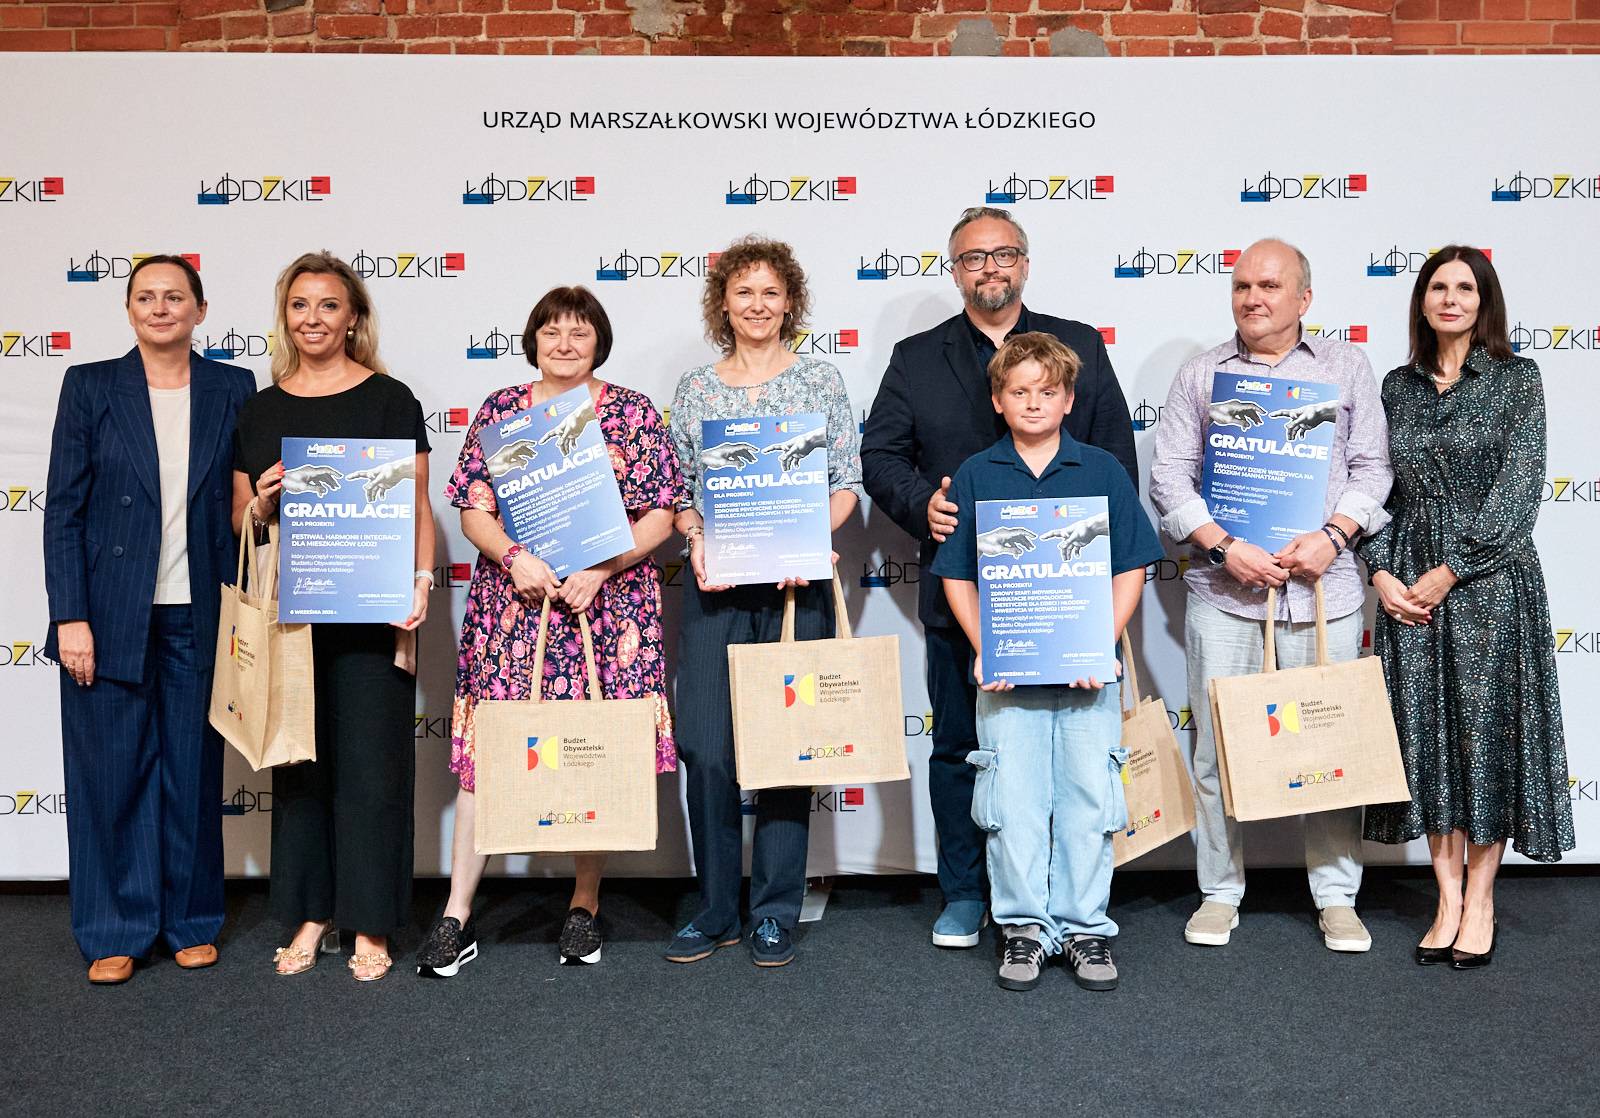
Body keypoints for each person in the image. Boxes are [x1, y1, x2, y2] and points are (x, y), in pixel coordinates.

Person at [861, 205, 1138, 949]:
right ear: (955, 271)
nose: (990, 267)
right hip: (966, 598)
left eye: (1004, 253)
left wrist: (1101, 592)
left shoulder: (1079, 344)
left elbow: (1116, 454)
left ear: (1024, 263)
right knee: (962, 747)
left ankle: (1061, 903)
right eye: (973, 257)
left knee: (1069, 762)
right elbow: (879, 456)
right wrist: (925, 505)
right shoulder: (916, 357)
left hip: (1069, 601)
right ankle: (964, 893)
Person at [415, 286, 682, 977]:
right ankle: (456, 914)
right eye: (552, 332)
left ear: (600, 343)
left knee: (594, 753)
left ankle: (584, 904)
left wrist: (601, 566)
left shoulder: (632, 413)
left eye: (580, 333)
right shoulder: (502, 410)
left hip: (609, 608)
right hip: (514, 608)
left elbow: (660, 514)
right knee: (492, 752)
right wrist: (514, 557)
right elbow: (473, 509)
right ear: (533, 340)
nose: (565, 344)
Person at [1149, 238, 1394, 953]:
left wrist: (1335, 536)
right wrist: (1225, 546)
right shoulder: (1201, 374)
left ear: (1304, 298)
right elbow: (1168, 478)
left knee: (1331, 747)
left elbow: (1372, 468)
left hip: (1326, 592)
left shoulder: (1346, 366)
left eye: (1269, 285)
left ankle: (1337, 896)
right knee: (1217, 749)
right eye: (1241, 286)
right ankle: (1219, 891)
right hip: (1226, 593)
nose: (1252, 298)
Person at [1358, 246, 1573, 968]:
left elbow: (1519, 492)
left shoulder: (1518, 378)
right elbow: (1377, 489)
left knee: (1486, 737)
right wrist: (1380, 571)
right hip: (1408, 583)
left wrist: (1451, 570)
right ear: (1421, 302)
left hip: (1489, 583)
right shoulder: (1396, 387)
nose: (1451, 298)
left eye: (1465, 288)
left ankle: (1481, 898)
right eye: (1438, 287)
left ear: (1485, 301)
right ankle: (1445, 897)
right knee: (1426, 735)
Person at [43, 255, 255, 985]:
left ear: (201, 309)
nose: (160, 307)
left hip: (201, 612)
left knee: (192, 776)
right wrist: (71, 616)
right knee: (110, 777)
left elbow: (242, 504)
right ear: (129, 310)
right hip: (108, 616)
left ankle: (190, 921)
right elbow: (63, 512)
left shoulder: (233, 387)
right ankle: (114, 929)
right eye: (145, 297)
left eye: (174, 296)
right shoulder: (90, 386)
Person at [932, 332, 1162, 991]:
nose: (1033, 402)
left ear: (1068, 399)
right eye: (1019, 391)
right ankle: (1024, 928)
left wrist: (1100, 642)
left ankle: (1085, 927)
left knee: (1090, 800)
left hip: (1087, 677)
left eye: (1047, 391)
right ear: (998, 401)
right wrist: (986, 648)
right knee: (1014, 805)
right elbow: (957, 576)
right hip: (1008, 678)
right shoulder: (977, 474)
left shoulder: (1102, 470)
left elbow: (1131, 566)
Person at [231, 252, 434, 982]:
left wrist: (421, 581)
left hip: (375, 613)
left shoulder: (390, 399)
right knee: (301, 770)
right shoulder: (261, 409)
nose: (312, 319)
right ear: (285, 317)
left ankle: (370, 922)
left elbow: (416, 508)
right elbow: (240, 520)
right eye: (299, 305)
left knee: (375, 770)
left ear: (353, 318)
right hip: (293, 621)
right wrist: (263, 502)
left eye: (328, 305)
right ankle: (312, 913)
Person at [665, 236, 862, 968]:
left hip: (793, 593)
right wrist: (695, 539)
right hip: (716, 593)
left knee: (787, 747)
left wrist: (806, 542)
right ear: (722, 304)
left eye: (770, 292)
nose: (757, 305)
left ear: (790, 303)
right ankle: (716, 908)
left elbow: (846, 484)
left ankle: (775, 910)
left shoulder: (819, 380)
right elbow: (680, 494)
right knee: (706, 749)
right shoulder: (695, 388)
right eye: (743, 292)